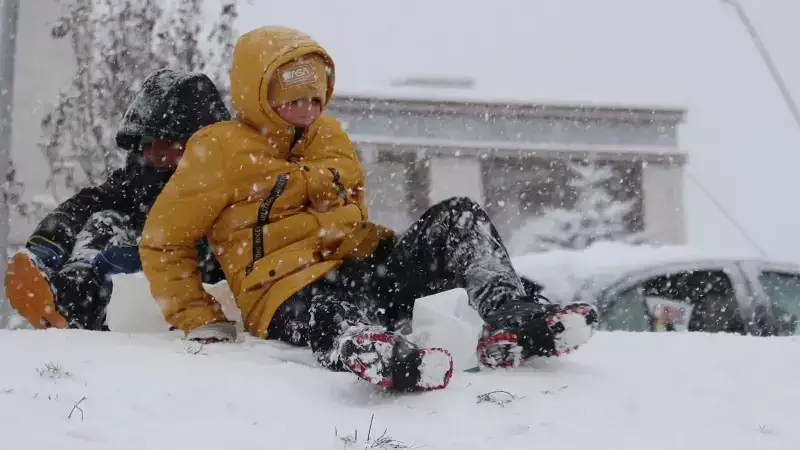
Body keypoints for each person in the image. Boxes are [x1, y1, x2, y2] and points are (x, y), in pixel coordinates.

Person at [139, 26, 597, 392]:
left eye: (315, 98)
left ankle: (514, 318)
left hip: (361, 272)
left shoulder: (331, 136)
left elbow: (350, 213)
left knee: (459, 216)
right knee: (331, 306)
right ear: (259, 95)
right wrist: (200, 320)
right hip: (284, 294)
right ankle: (371, 351)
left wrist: (367, 239)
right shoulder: (216, 150)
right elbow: (163, 241)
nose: (307, 110)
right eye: (294, 99)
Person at [5, 68, 230, 331]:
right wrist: (47, 244)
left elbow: (217, 251)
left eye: (164, 145)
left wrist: (143, 259)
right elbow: (87, 203)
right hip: (125, 306)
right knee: (103, 220)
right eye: (147, 145)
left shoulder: (227, 189)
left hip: (197, 303)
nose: (152, 155)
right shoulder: (141, 178)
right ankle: (70, 301)